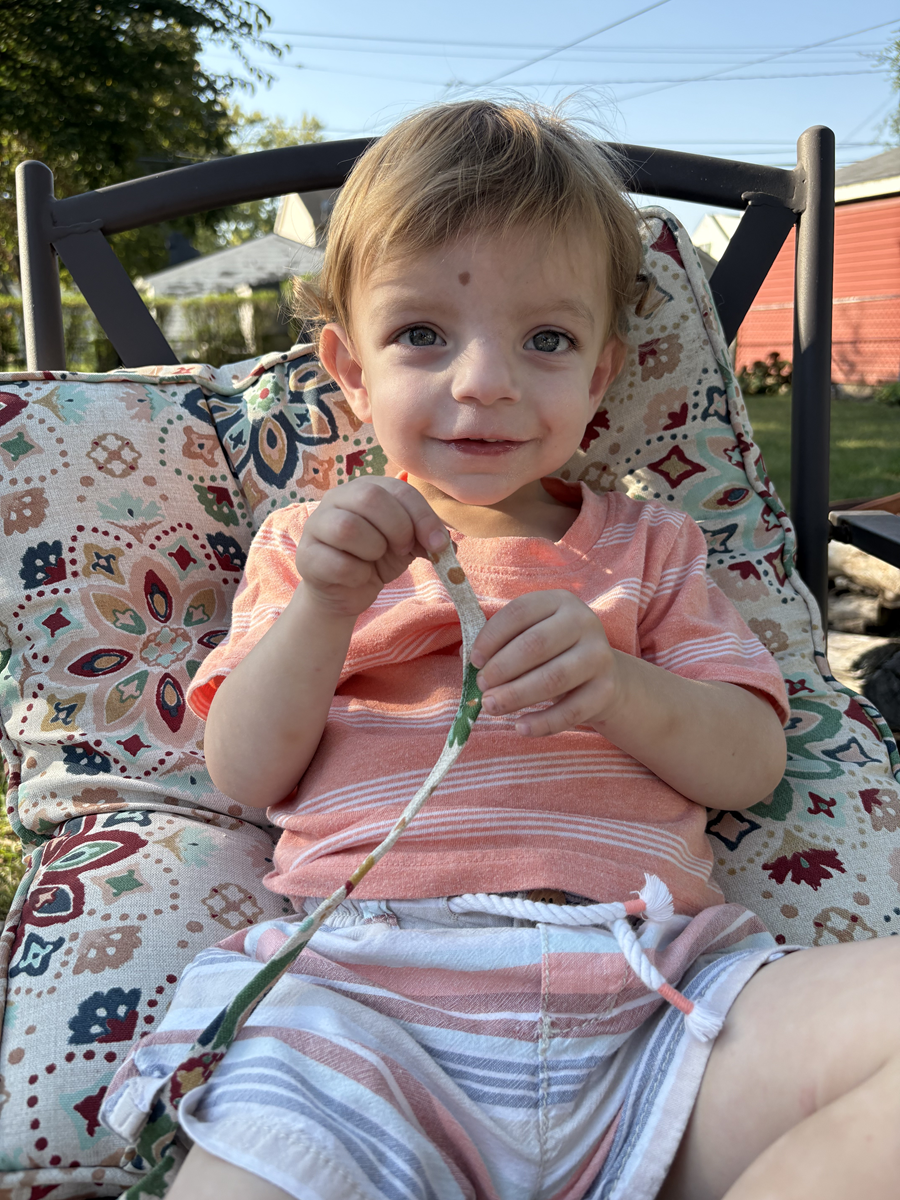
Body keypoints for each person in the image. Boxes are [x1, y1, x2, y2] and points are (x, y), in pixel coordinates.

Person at [108, 101, 900, 1200]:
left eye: (547, 340)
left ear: (601, 375)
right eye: (422, 334)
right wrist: (327, 609)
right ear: (350, 368)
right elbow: (244, 771)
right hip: (364, 1013)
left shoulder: (652, 545)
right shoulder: (308, 548)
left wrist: (620, 689)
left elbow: (749, 765)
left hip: (657, 1003)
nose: (485, 380)